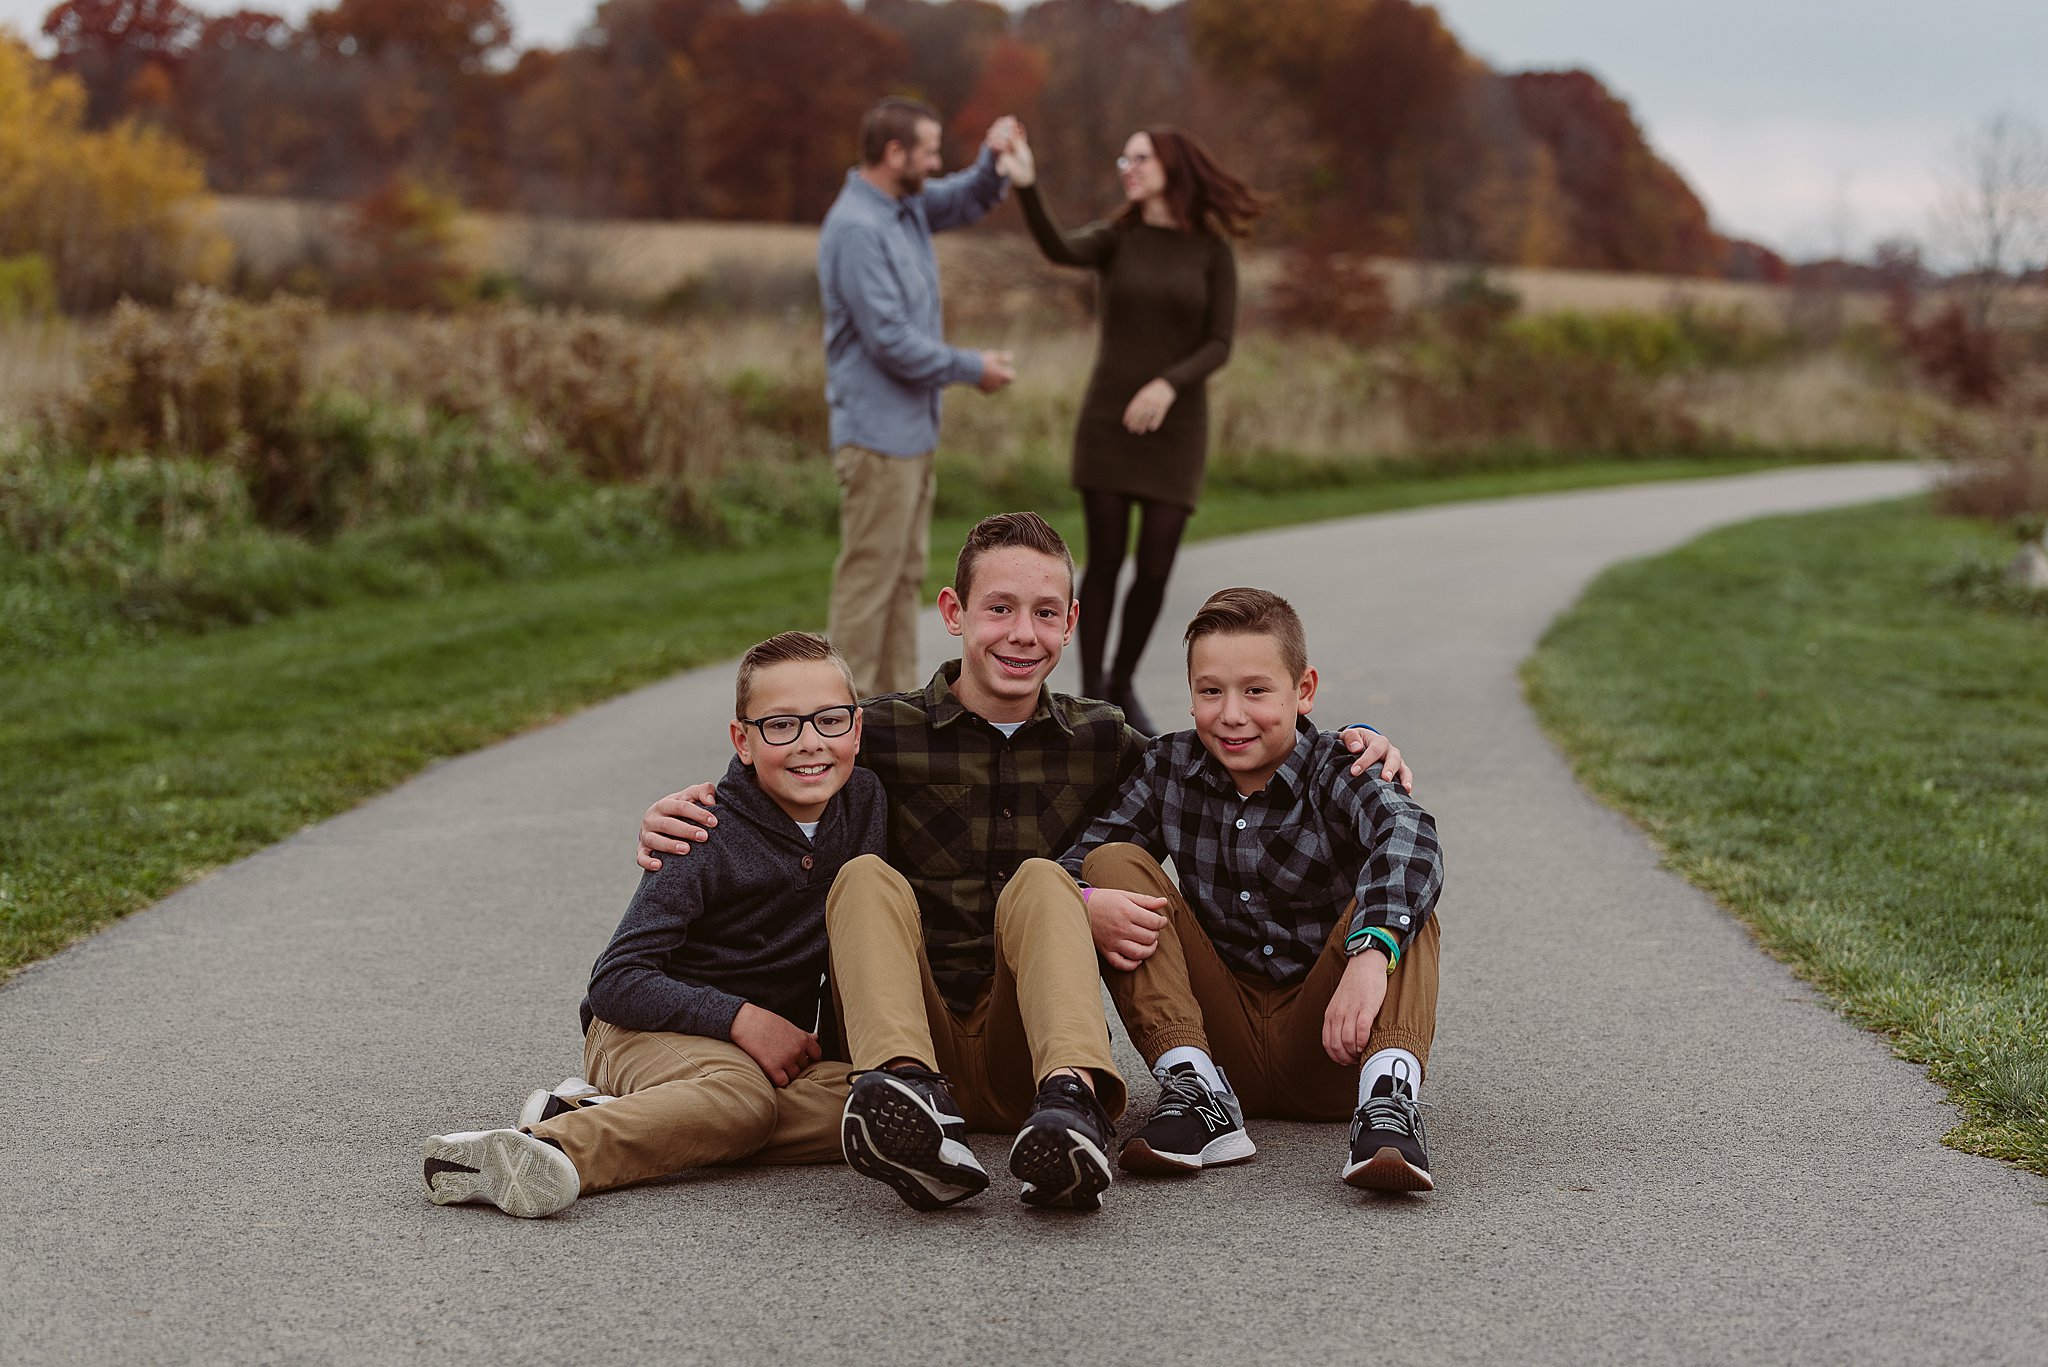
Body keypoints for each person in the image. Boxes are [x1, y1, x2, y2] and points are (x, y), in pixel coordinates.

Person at [636, 515, 1414, 1213]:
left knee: (1049, 876)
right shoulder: (878, 732)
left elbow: (1225, 752)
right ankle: (910, 1098)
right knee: (866, 877)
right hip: (905, 1034)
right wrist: (690, 804)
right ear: (954, 613)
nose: (1021, 632)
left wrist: (1353, 741)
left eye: (1045, 612)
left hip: (1019, 1045)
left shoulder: (1103, 740)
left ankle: (1070, 1102)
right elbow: (786, 750)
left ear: (1071, 623)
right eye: (999, 609)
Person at [420, 633, 887, 1218]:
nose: (810, 743)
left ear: (858, 729)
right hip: (640, 1031)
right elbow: (615, 981)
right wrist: (742, 1020)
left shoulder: (866, 801)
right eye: (781, 726)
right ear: (742, 740)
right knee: (743, 1103)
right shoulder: (700, 832)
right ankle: (545, 1150)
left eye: (829, 720)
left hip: (753, 1060)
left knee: (872, 1104)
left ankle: (617, 1114)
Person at [1056, 588, 1447, 1193]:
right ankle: (1193, 1092)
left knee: (1400, 898)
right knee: (1114, 863)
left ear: (1304, 690)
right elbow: (1074, 867)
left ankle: (1387, 1104)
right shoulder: (1169, 768)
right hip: (1220, 1043)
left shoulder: (1341, 766)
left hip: (1332, 1043)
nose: (1232, 714)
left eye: (1257, 691)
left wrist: (1370, 954)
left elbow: (1410, 834)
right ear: (1190, 696)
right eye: (1211, 691)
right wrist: (1086, 901)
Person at [996, 124, 1257, 733]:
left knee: (1157, 566)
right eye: (1124, 158)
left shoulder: (1213, 253)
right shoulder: (1118, 239)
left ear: (1172, 165)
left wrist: (1169, 384)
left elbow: (1220, 343)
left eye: (1140, 158)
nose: (1128, 167)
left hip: (1179, 425)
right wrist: (1028, 185)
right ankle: (1090, 698)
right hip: (1110, 420)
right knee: (1107, 560)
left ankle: (1120, 681)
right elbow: (1059, 247)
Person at [819, 97, 1019, 698]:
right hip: (877, 439)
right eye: (929, 151)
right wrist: (970, 367)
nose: (936, 163)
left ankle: (888, 717)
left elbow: (967, 195)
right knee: (869, 585)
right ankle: (833, 722)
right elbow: (890, 343)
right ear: (895, 153)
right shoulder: (858, 227)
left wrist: (995, 155)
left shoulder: (903, 206)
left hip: (910, 435)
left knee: (903, 578)